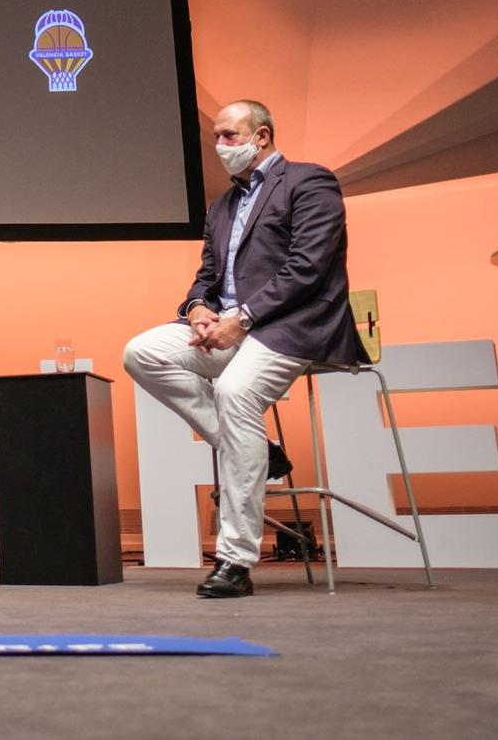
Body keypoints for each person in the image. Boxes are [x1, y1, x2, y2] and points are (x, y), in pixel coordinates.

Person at [123, 99, 363, 599]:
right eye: (216, 137)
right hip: (229, 326)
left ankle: (235, 561)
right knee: (141, 352)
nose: (220, 146)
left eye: (230, 136)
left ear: (262, 136)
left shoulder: (310, 182)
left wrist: (243, 318)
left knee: (235, 394)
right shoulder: (221, 206)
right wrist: (196, 311)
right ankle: (259, 451)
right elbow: (206, 277)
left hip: (291, 326)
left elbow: (309, 266)